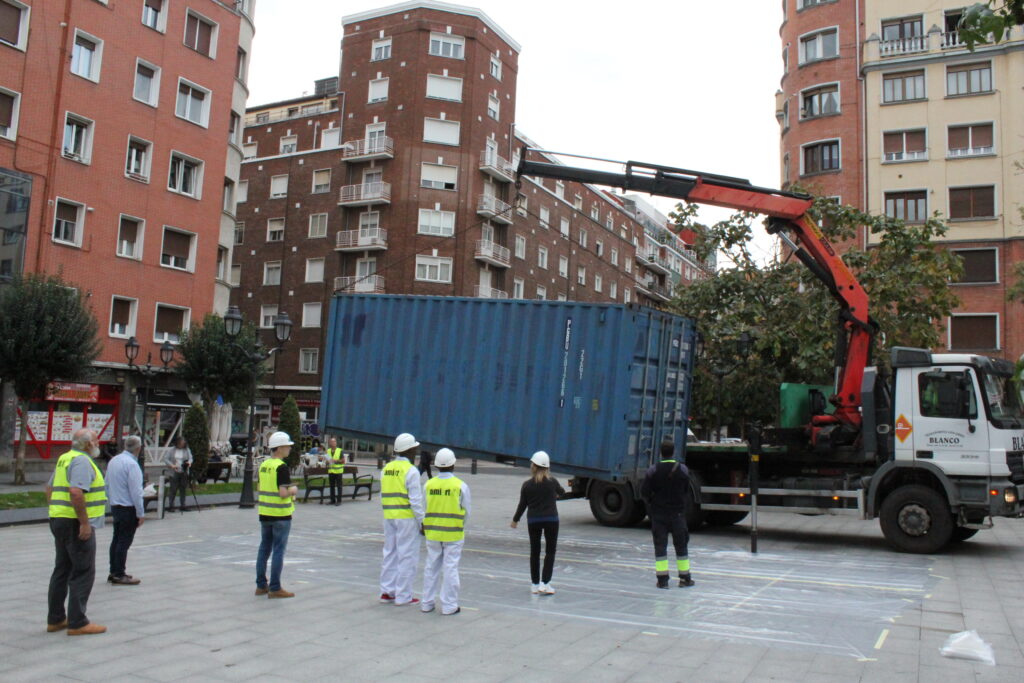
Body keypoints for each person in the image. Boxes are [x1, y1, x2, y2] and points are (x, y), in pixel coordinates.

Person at [45, 428, 107, 635]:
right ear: (88, 444)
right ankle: (78, 622)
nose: (99, 444)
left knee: (62, 568)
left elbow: (49, 488)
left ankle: (55, 619)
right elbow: (76, 492)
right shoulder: (82, 461)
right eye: (96, 440)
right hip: (75, 522)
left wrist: (55, 510)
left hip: (60, 518)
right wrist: (84, 523)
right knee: (82, 571)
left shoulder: (64, 458)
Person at [420, 448, 470, 615]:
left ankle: (426, 603)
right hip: (453, 533)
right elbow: (467, 511)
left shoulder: (428, 485)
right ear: (453, 464)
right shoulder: (460, 486)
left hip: (433, 533)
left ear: (435, 466)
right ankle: (449, 606)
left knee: (431, 567)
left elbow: (424, 507)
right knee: (450, 568)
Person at [639, 439, 695, 589]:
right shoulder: (682, 469)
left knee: (660, 547)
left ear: (660, 453)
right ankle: (685, 579)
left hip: (659, 515)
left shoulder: (653, 470)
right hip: (677, 514)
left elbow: (644, 492)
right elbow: (686, 490)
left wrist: (653, 502)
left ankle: (662, 581)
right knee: (681, 546)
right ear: (673, 451)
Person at [379, 432, 425, 606]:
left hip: (389, 516)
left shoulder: (387, 469)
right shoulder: (411, 471)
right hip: (406, 518)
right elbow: (416, 500)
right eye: (414, 448)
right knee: (407, 556)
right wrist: (422, 522)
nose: (416, 450)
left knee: (390, 553)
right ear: (409, 451)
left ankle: (387, 591)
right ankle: (403, 595)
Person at [510, 451, 565, 595]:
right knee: (550, 551)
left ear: (533, 466)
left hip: (533, 520)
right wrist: (554, 494)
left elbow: (522, 504)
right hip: (551, 519)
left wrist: (515, 520)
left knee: (534, 552)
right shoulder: (552, 482)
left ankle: (534, 584)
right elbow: (562, 492)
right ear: (547, 467)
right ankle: (545, 583)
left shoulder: (527, 485)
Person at [255, 431, 299, 599]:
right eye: (287, 446)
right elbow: (282, 493)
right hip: (280, 514)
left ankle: (260, 585)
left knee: (264, 548)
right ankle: (275, 587)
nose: (289, 449)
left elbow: (259, 488)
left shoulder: (264, 465)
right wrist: (293, 490)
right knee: (278, 550)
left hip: (265, 512)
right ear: (280, 448)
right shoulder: (281, 467)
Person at [106, 436, 145, 586]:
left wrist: (112, 499)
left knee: (116, 539)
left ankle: (113, 570)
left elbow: (107, 483)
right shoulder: (132, 465)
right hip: (128, 507)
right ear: (138, 448)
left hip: (116, 505)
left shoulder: (114, 460)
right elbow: (136, 492)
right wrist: (140, 513)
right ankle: (119, 573)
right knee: (124, 541)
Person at [163, 436, 193, 512]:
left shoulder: (186, 450)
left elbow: (190, 458)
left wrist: (189, 463)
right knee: (173, 489)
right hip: (174, 471)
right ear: (177, 443)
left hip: (184, 471)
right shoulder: (172, 450)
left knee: (183, 489)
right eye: (181, 444)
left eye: (183, 444)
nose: (182, 445)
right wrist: (171, 465)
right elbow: (165, 458)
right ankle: (171, 505)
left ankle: (183, 505)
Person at [326, 437, 346, 506]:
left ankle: (339, 500)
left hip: (338, 471)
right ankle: (332, 500)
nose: (332, 443)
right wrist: (327, 461)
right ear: (329, 443)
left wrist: (336, 461)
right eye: (331, 442)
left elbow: (343, 461)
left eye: (334, 442)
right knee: (332, 486)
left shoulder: (340, 450)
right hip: (331, 471)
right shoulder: (328, 451)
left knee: (339, 486)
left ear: (336, 443)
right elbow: (327, 460)